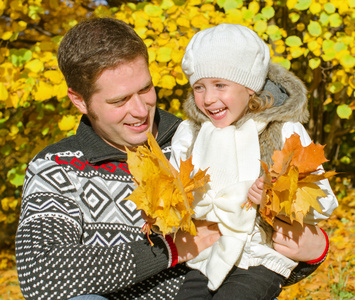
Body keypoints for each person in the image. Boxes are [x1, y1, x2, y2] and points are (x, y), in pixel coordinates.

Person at [14, 18, 332, 300]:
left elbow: (253, 255)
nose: (140, 110)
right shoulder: (58, 166)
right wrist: (172, 249)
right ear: (79, 100)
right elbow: (41, 276)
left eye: (145, 89)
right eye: (119, 100)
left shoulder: (199, 138)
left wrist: (314, 249)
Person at [169, 23, 338, 299]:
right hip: (205, 257)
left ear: (250, 87)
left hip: (260, 257)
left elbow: (322, 202)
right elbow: (176, 188)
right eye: (199, 87)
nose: (209, 98)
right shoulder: (191, 133)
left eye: (220, 85)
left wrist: (276, 195)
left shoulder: (283, 130)